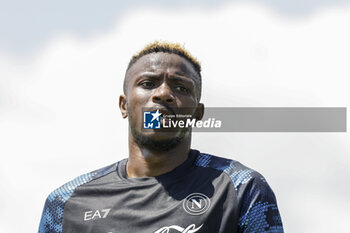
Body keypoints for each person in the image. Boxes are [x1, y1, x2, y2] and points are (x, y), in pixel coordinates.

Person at [38, 41, 284, 233]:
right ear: (124, 106)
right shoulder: (66, 202)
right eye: (148, 83)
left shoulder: (240, 187)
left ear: (197, 113)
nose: (164, 93)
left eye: (181, 88)